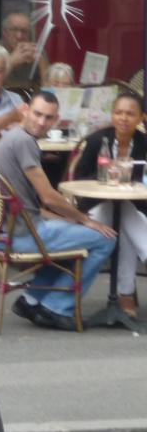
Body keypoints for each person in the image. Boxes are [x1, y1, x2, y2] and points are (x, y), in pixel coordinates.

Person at [0, 90, 117, 330]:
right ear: (25, 110)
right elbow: (48, 197)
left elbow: (31, 204)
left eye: (48, 117)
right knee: (104, 239)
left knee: (75, 234)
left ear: (56, 119)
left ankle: (33, 299)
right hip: (22, 237)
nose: (41, 122)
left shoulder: (11, 137)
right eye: (38, 114)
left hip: (1, 235)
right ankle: (58, 306)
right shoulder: (24, 142)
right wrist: (86, 220)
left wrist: (74, 221)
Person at [71, 92, 147, 317]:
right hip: (96, 208)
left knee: (123, 224)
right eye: (119, 112)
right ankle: (126, 295)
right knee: (121, 214)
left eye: (130, 114)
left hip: (130, 207)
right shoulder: (97, 140)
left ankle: (123, 295)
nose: (123, 118)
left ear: (141, 118)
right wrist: (107, 177)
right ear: (112, 115)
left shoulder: (143, 143)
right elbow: (78, 179)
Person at [0, 6, 49, 87]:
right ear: (5, 32)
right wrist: (11, 62)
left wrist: (42, 65)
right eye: (14, 29)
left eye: (24, 31)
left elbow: (50, 91)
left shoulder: (37, 52)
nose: (19, 36)